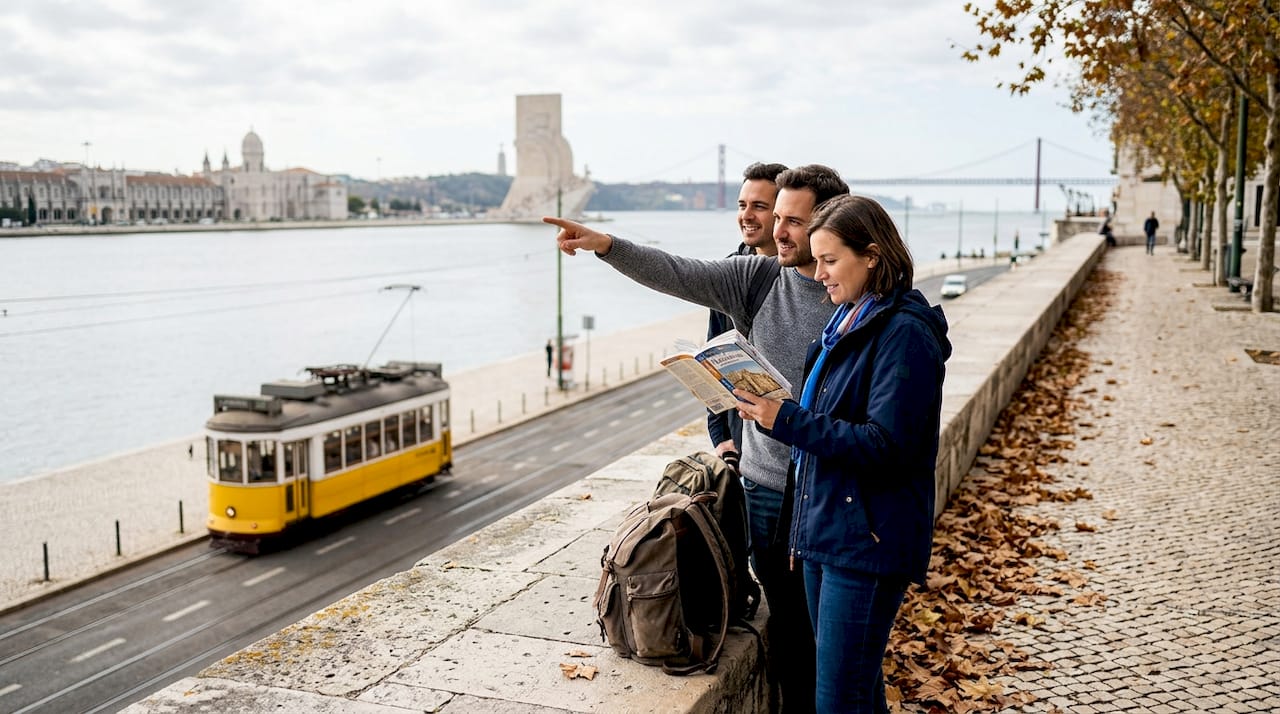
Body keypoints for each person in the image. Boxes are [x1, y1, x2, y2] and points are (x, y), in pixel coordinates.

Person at [546, 164, 850, 713]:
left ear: (829, 224)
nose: (776, 232)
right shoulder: (755, 279)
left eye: (793, 222)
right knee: (786, 622)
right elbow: (677, 271)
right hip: (765, 488)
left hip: (831, 491)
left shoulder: (852, 292)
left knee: (832, 634)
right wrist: (608, 245)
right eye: (774, 217)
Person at [733, 194, 951, 712]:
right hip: (826, 531)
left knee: (837, 700)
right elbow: (835, 418)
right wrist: (776, 406)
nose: (819, 274)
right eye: (816, 259)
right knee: (857, 690)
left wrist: (782, 419)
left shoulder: (904, 335)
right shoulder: (845, 325)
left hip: (865, 539)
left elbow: (887, 445)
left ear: (872, 256)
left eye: (830, 261)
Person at [707, 161, 788, 468]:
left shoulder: (807, 273)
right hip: (740, 448)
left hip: (788, 447)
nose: (747, 216)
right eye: (742, 205)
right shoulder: (730, 272)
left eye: (759, 206)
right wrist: (720, 437)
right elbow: (711, 359)